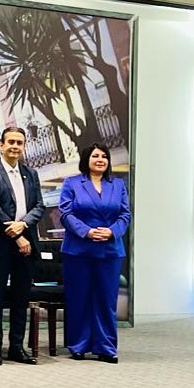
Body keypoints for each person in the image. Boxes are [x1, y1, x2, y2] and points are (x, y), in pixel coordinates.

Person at [59, 143, 130, 363]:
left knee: (106, 300)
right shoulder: (72, 183)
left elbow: (125, 215)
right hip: (78, 249)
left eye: (104, 156)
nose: (100, 159)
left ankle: (106, 347)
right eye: (95, 156)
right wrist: (87, 232)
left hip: (110, 249)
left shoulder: (118, 184)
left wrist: (111, 231)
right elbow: (66, 213)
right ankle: (78, 345)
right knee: (79, 298)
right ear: (86, 160)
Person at [0, 127, 45, 366]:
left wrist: (23, 225)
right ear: (1, 145)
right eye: (11, 142)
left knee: (21, 297)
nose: (15, 146)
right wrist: (17, 235)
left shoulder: (31, 173)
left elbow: (39, 206)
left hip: (26, 242)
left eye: (19, 142)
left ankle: (17, 347)